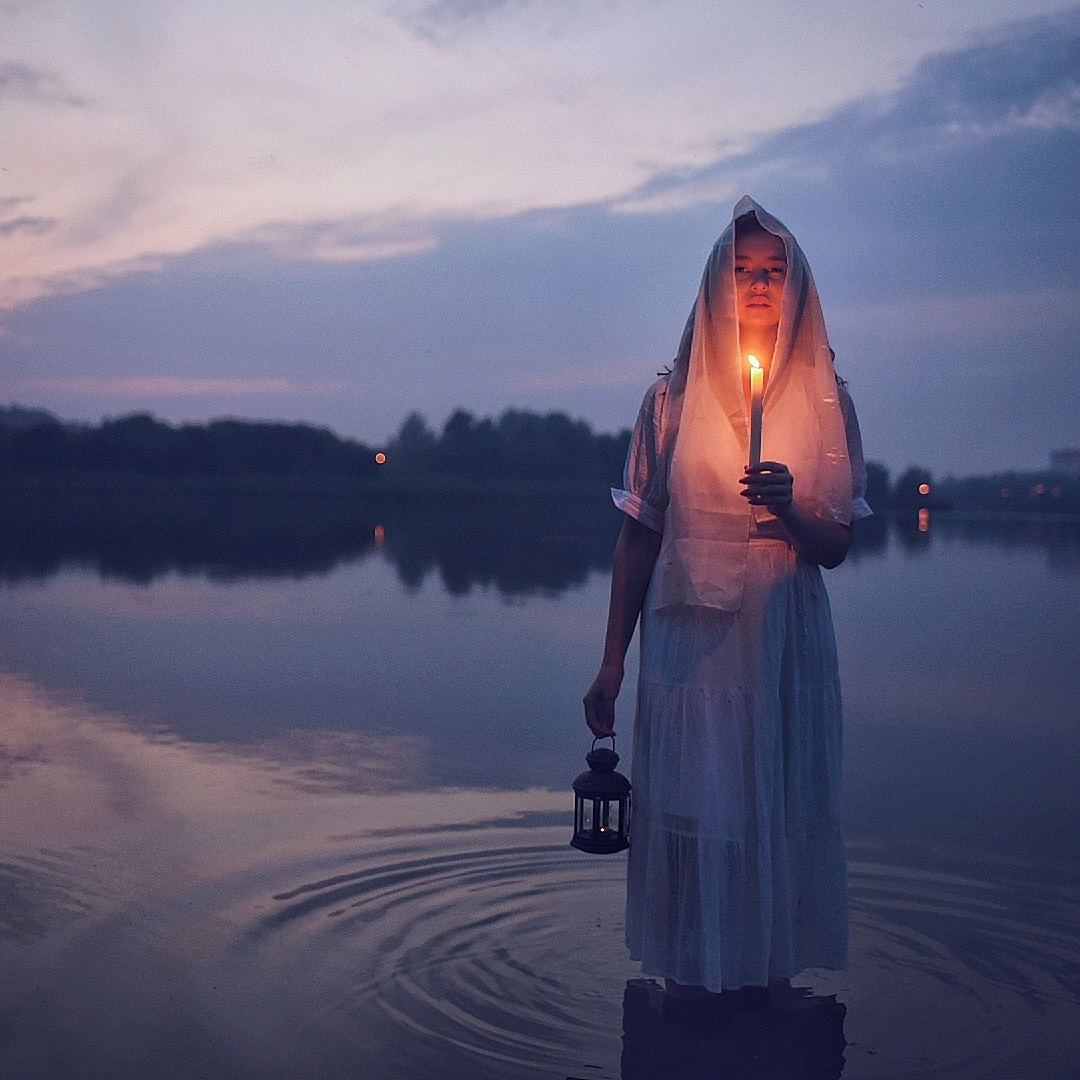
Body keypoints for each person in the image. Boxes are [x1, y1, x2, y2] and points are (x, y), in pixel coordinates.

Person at [583, 196, 871, 996]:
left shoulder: (825, 403)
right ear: (715, 282)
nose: (757, 286)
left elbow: (837, 547)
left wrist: (788, 507)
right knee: (697, 807)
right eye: (742, 271)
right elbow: (640, 535)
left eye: (774, 273)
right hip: (692, 641)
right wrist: (612, 664)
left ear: (798, 289)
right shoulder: (671, 401)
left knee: (769, 809)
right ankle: (695, 997)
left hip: (781, 635)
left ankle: (761, 979)